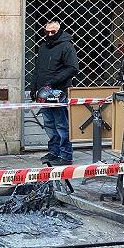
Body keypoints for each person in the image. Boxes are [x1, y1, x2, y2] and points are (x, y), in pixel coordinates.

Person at [30, 21, 79, 166]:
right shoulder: (43, 47)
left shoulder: (67, 46)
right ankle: (54, 152)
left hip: (59, 92)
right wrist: (34, 87)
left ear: (59, 31)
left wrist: (53, 81)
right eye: (47, 32)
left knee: (61, 124)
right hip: (43, 92)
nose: (50, 35)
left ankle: (66, 155)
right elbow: (37, 69)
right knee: (49, 123)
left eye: (53, 32)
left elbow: (72, 68)